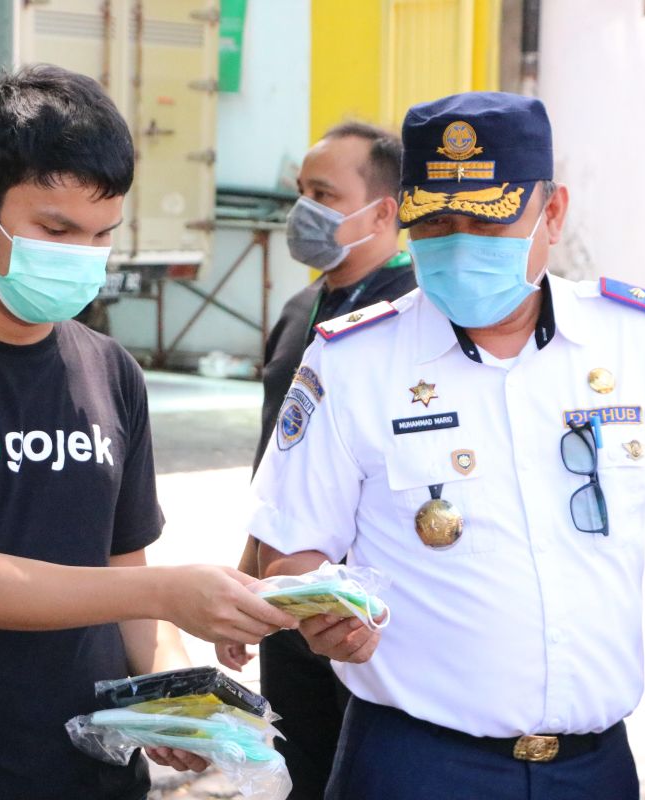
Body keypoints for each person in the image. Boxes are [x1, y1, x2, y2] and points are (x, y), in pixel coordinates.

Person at [243, 91, 645, 799]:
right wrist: (324, 610)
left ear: (552, 212)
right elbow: (292, 547)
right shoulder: (351, 362)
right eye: (433, 221)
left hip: (594, 768)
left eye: (485, 219)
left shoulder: (638, 343)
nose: (457, 241)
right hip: (414, 765)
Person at [0, 65, 296, 800]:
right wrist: (175, 592)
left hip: (95, 773)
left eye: (102, 233)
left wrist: (171, 694)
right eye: (55, 228)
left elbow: (122, 567)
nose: (79, 254)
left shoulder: (109, 369)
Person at [216, 120, 415, 799]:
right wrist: (249, 585)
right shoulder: (303, 308)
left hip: (372, 622)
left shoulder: (414, 313)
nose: (304, 210)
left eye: (323, 193)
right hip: (291, 602)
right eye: (301, 191)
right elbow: (279, 464)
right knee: (301, 771)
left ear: (383, 211)